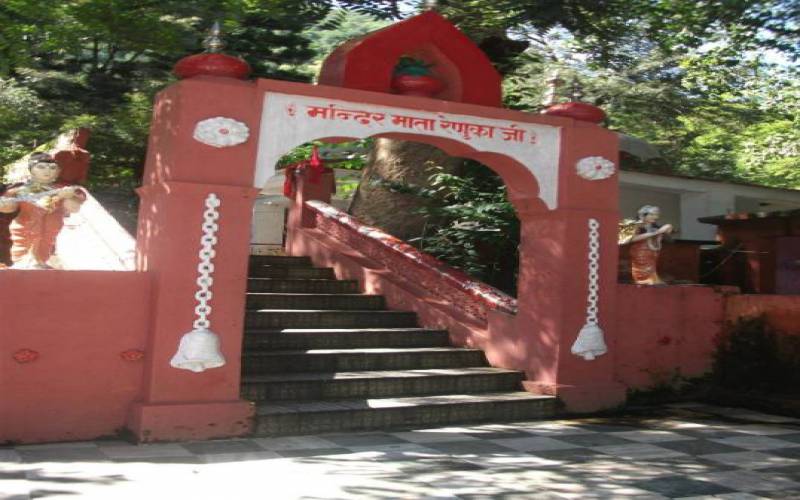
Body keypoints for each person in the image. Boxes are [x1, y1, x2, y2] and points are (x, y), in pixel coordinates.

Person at [0, 153, 85, 269]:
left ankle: (40, 260)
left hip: (50, 227)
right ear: (31, 170)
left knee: (45, 245)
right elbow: (10, 207)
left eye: (52, 168)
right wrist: (4, 204)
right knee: (23, 248)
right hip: (25, 224)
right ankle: (23, 262)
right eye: (41, 167)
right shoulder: (19, 189)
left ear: (58, 171)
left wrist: (68, 196)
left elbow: (73, 208)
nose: (47, 171)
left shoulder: (63, 189)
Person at [619, 205, 673, 285]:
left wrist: (666, 228)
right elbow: (631, 239)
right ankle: (642, 280)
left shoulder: (654, 227)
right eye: (651, 214)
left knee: (652, 269)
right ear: (642, 215)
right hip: (640, 252)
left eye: (656, 215)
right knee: (642, 269)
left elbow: (668, 230)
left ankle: (652, 278)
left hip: (652, 253)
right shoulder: (635, 225)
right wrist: (655, 233)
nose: (655, 217)